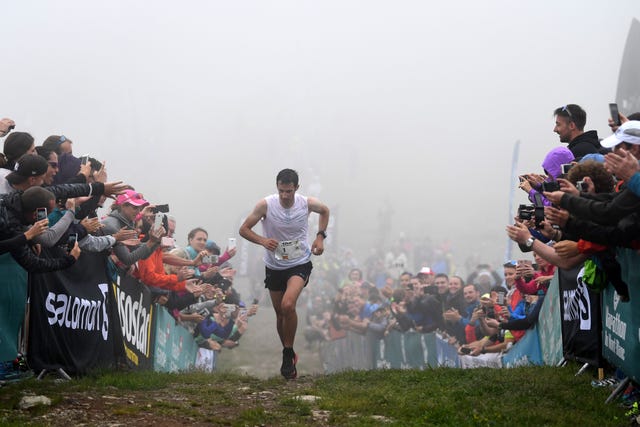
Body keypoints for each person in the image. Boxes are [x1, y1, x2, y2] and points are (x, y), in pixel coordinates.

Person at [239, 168, 330, 380]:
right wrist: (263, 241)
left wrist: (320, 237)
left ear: (296, 188)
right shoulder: (265, 205)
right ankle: (288, 352)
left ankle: (287, 354)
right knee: (280, 313)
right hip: (274, 265)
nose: (285, 196)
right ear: (277, 188)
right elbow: (244, 229)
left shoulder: (306, 203)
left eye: (289, 191)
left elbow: (325, 211)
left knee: (289, 305)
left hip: (299, 262)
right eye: (281, 191)